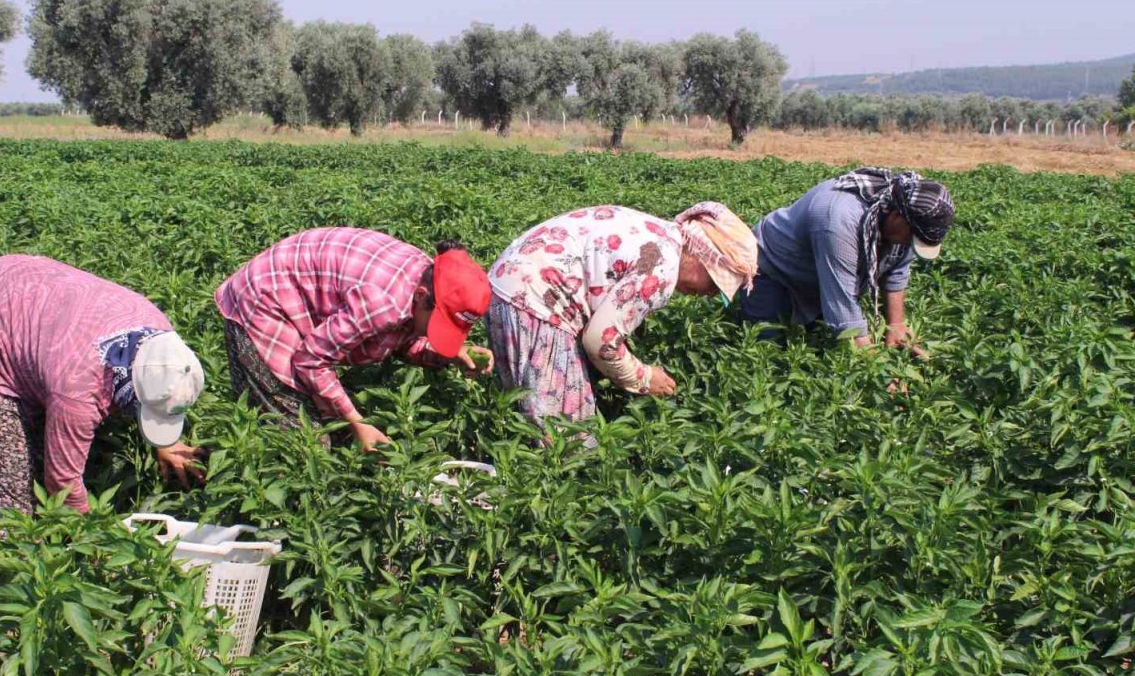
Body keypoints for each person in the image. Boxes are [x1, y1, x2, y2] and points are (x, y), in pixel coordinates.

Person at [0, 255, 207, 518]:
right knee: (11, 468)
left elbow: (153, 378)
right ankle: (15, 551)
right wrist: (93, 539)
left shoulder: (161, 337)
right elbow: (63, 483)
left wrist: (166, 441)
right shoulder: (78, 390)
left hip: (25, 288)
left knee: (47, 427)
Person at [485, 202, 757, 433]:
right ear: (703, 258)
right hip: (537, 302)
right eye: (713, 284)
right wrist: (644, 377)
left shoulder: (661, 233)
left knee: (524, 405)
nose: (710, 294)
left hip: (509, 284)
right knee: (566, 434)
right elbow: (600, 342)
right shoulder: (662, 269)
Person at [215, 228, 493, 451]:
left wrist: (452, 352)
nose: (437, 334)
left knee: (328, 424)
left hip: (301, 289)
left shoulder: (430, 279)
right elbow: (311, 361)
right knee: (303, 439)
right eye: (439, 326)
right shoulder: (383, 302)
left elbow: (400, 339)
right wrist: (357, 423)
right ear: (421, 297)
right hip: (267, 297)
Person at [737, 168, 955, 354]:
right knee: (767, 349)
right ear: (897, 215)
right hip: (774, 268)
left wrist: (896, 325)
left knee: (814, 344)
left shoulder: (902, 225)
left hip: (815, 275)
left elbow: (897, 270)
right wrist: (881, 375)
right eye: (911, 237)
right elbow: (843, 311)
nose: (909, 243)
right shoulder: (838, 221)